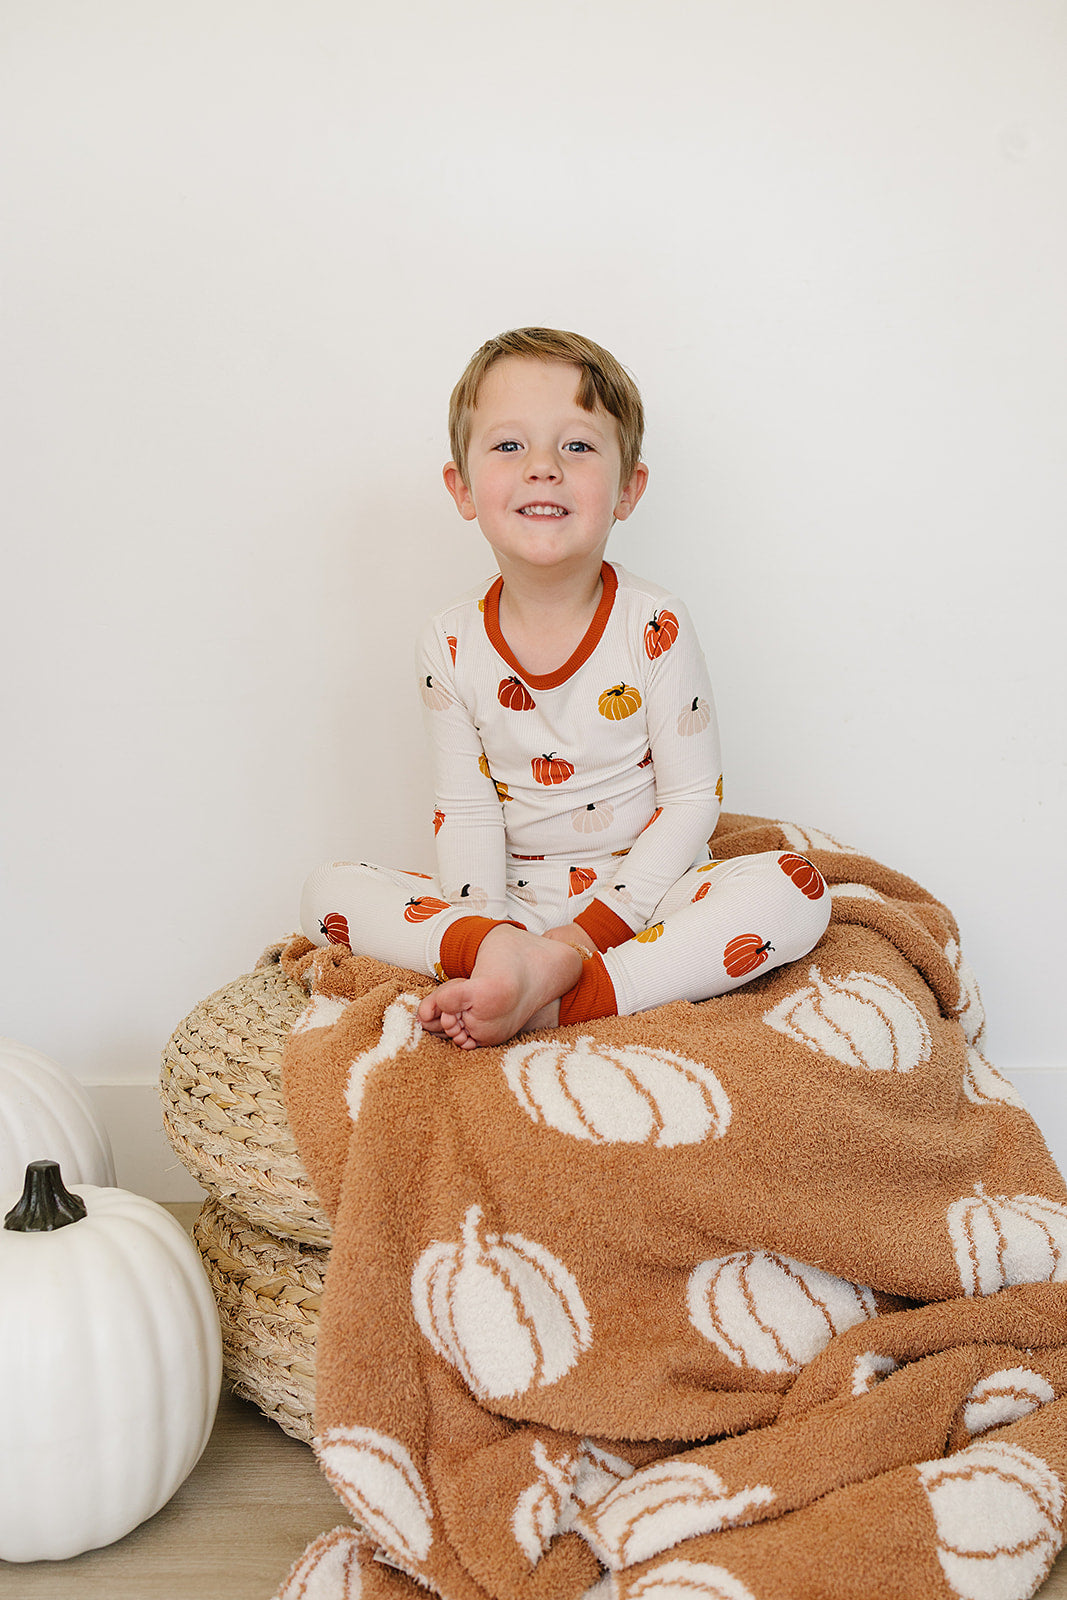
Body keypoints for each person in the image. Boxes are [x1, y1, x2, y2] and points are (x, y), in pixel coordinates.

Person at [301, 328, 831, 1048]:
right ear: (462, 488)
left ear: (627, 489)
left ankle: (565, 998)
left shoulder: (655, 624)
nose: (543, 468)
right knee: (325, 890)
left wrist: (583, 938)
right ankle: (510, 971)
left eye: (577, 446)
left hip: (644, 902)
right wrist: (490, 934)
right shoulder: (449, 641)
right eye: (508, 445)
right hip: (508, 907)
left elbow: (689, 801)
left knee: (794, 890)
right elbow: (466, 811)